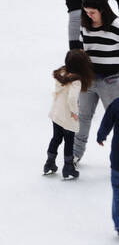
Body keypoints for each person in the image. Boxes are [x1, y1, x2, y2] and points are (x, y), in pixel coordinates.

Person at [74, 0, 119, 163]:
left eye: (92, 12)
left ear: (102, 10)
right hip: (89, 80)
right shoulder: (84, 26)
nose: (89, 16)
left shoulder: (116, 26)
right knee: (83, 116)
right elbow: (82, 51)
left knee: (115, 119)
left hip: (111, 81)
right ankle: (76, 153)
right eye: (86, 12)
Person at [43, 49, 93, 180]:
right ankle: (68, 167)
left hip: (56, 113)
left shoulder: (62, 73)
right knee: (69, 142)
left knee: (56, 138)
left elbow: (58, 91)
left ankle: (49, 163)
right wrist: (74, 112)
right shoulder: (76, 81)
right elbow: (72, 98)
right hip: (67, 117)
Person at [96, 95, 119, 235]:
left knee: (117, 191)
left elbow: (107, 121)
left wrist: (101, 135)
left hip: (117, 160)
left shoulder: (117, 104)